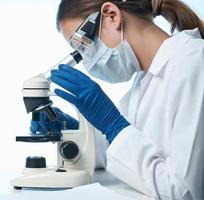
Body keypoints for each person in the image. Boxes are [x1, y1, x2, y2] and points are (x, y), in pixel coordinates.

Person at [30, 0, 204, 199]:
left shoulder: (194, 62)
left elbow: (186, 191)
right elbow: (119, 153)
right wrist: (73, 130)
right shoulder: (144, 80)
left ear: (112, 15)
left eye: (82, 45)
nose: (86, 61)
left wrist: (112, 123)